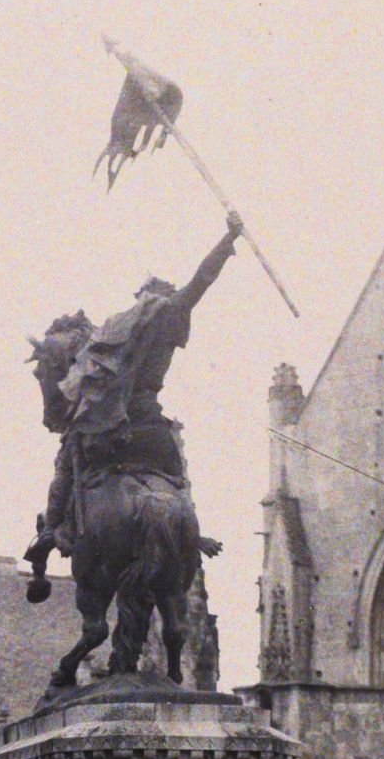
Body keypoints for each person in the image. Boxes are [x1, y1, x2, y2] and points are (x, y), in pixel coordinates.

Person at [24, 214, 243, 573]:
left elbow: (76, 378)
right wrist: (227, 241)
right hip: (151, 428)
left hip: (112, 429)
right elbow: (201, 280)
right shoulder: (169, 316)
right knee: (177, 475)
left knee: (66, 462)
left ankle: (49, 532)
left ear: (144, 294)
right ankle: (192, 535)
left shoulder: (120, 327)